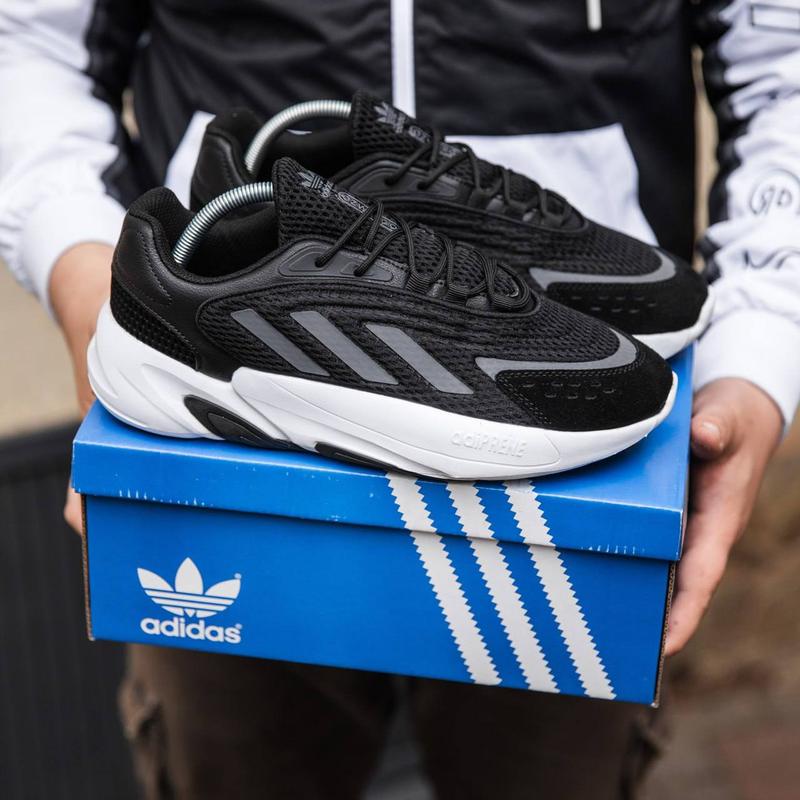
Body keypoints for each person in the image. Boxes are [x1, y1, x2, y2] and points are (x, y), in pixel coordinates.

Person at [0, 1, 796, 798]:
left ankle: (362, 283)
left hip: (559, 535)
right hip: (229, 501)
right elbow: (28, 38)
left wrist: (763, 334)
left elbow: (781, 58)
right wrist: (74, 257)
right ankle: (223, 310)